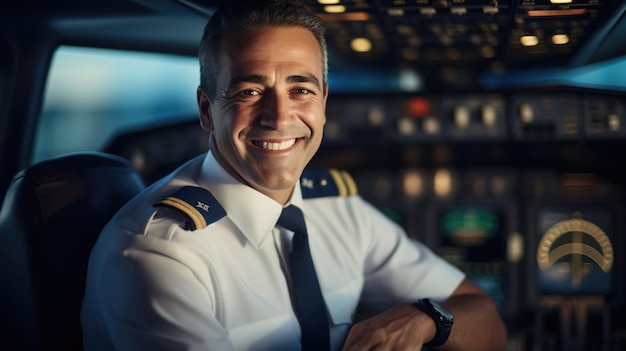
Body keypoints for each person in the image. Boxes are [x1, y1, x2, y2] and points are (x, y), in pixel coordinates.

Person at [81, 0, 507, 350]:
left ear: (323, 102)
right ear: (207, 110)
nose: (280, 116)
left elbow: (484, 317)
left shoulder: (339, 210)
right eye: (250, 92)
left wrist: (425, 319)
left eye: (300, 89)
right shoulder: (158, 252)